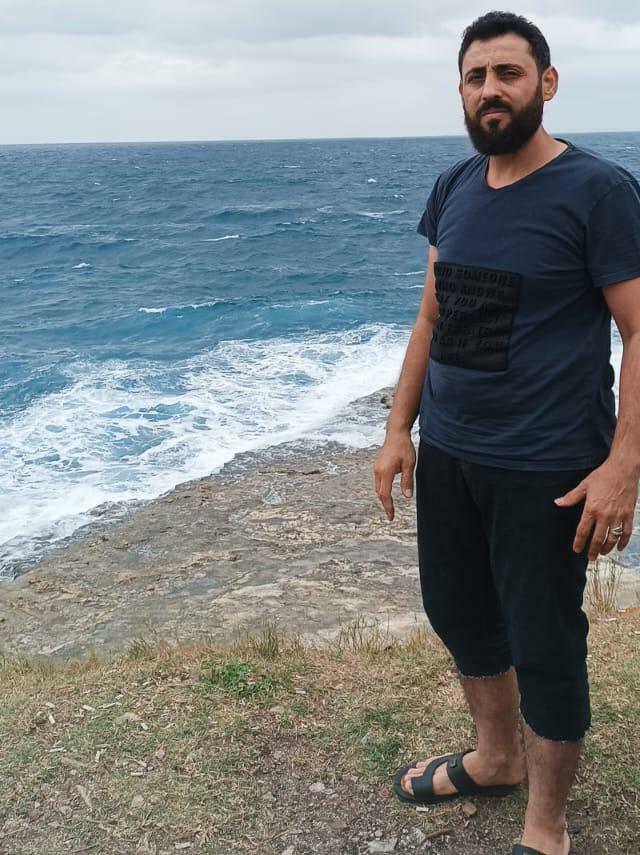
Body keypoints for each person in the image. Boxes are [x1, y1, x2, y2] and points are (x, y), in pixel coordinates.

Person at [373, 10, 640, 855]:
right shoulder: (453, 186)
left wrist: (624, 464)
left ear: (546, 83)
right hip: (451, 452)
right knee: (459, 612)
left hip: (548, 467)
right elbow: (431, 316)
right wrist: (398, 429)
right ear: (461, 90)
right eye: (475, 76)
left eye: (508, 73)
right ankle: (496, 758)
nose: (490, 89)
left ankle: (546, 827)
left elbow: (639, 330)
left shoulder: (599, 191)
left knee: (546, 642)